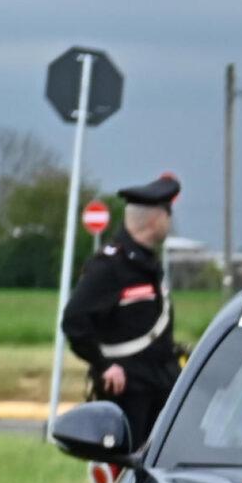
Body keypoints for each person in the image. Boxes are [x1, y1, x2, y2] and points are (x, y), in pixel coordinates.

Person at [61, 174, 183, 445]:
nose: (170, 222)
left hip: (159, 385)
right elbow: (74, 321)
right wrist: (104, 366)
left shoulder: (147, 264)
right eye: (168, 215)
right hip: (128, 394)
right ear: (155, 219)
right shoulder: (109, 267)